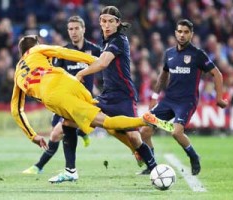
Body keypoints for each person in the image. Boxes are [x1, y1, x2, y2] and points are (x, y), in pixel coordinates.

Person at [10, 34, 162, 174]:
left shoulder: (18, 74)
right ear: (36, 44)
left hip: (55, 96)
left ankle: (144, 120)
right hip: (71, 81)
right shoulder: (38, 50)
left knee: (105, 122)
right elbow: (63, 52)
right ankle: (77, 157)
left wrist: (32, 136)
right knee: (72, 124)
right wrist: (93, 60)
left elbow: (16, 110)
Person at [64, 5, 171, 183]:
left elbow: (103, 63)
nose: (106, 25)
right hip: (107, 96)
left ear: (117, 23)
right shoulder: (105, 41)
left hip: (124, 95)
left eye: (110, 22)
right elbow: (99, 61)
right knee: (68, 122)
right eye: (103, 21)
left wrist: (81, 73)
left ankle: (155, 169)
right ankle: (70, 170)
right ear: (99, 22)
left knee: (133, 137)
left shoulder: (119, 40)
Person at [138, 19, 228, 175]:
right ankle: (152, 166)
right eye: (179, 31)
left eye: (186, 32)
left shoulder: (198, 54)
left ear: (191, 34)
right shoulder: (169, 54)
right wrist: (155, 96)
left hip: (186, 102)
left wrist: (219, 98)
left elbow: (217, 74)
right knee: (144, 131)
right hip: (168, 100)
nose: (182, 35)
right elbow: (163, 75)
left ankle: (193, 156)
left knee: (176, 132)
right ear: (175, 33)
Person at [22, 16, 101, 176]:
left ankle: (40, 166)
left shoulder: (94, 50)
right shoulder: (64, 52)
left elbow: (104, 68)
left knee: (56, 133)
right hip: (62, 97)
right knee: (57, 132)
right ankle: (82, 133)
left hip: (80, 99)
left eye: (76, 28)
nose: (73, 32)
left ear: (83, 29)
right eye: (70, 29)